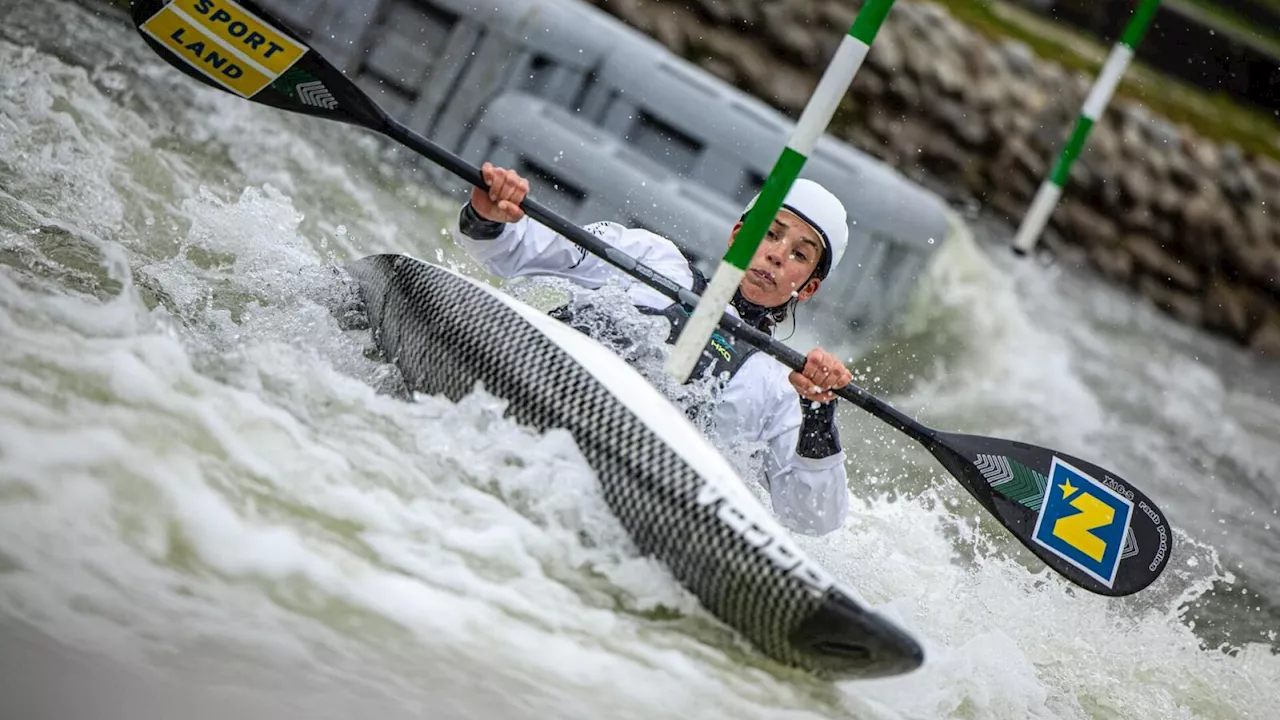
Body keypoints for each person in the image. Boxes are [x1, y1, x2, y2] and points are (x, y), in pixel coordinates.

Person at [453, 162, 856, 536]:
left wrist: (819, 411)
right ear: (738, 234)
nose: (776, 254)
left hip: (627, 503)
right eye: (770, 233)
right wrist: (490, 214)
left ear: (808, 288)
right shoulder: (651, 257)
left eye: (799, 254)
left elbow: (813, 518)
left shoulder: (781, 388)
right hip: (530, 408)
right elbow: (514, 252)